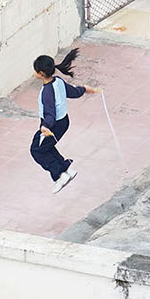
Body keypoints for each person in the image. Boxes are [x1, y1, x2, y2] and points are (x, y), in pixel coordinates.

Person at [30, 49, 99, 194]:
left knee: (36, 151)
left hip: (52, 125)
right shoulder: (58, 81)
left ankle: (59, 176)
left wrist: (45, 127)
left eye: (35, 70)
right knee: (46, 147)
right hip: (64, 122)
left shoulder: (46, 92)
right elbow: (72, 92)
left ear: (41, 73)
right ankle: (66, 168)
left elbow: (50, 113)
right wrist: (84, 89)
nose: (34, 73)